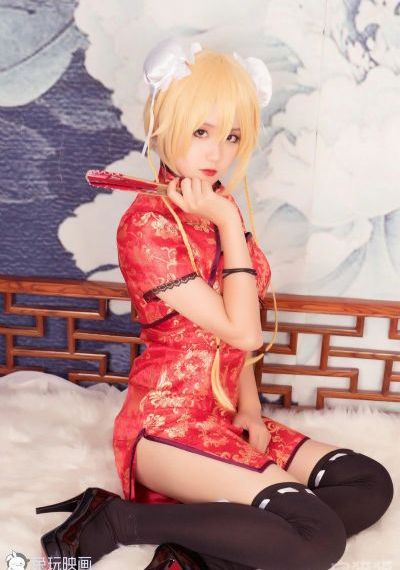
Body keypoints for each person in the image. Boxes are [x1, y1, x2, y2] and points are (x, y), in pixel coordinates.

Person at [35, 38, 394, 570]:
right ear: (164, 123)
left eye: (232, 136)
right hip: (165, 424)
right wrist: (229, 223)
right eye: (201, 132)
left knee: (368, 483)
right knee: (318, 538)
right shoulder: (148, 225)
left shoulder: (218, 207)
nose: (217, 153)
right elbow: (241, 331)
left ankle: (202, 552)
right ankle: (116, 520)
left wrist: (249, 409)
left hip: (223, 415)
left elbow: (236, 340)